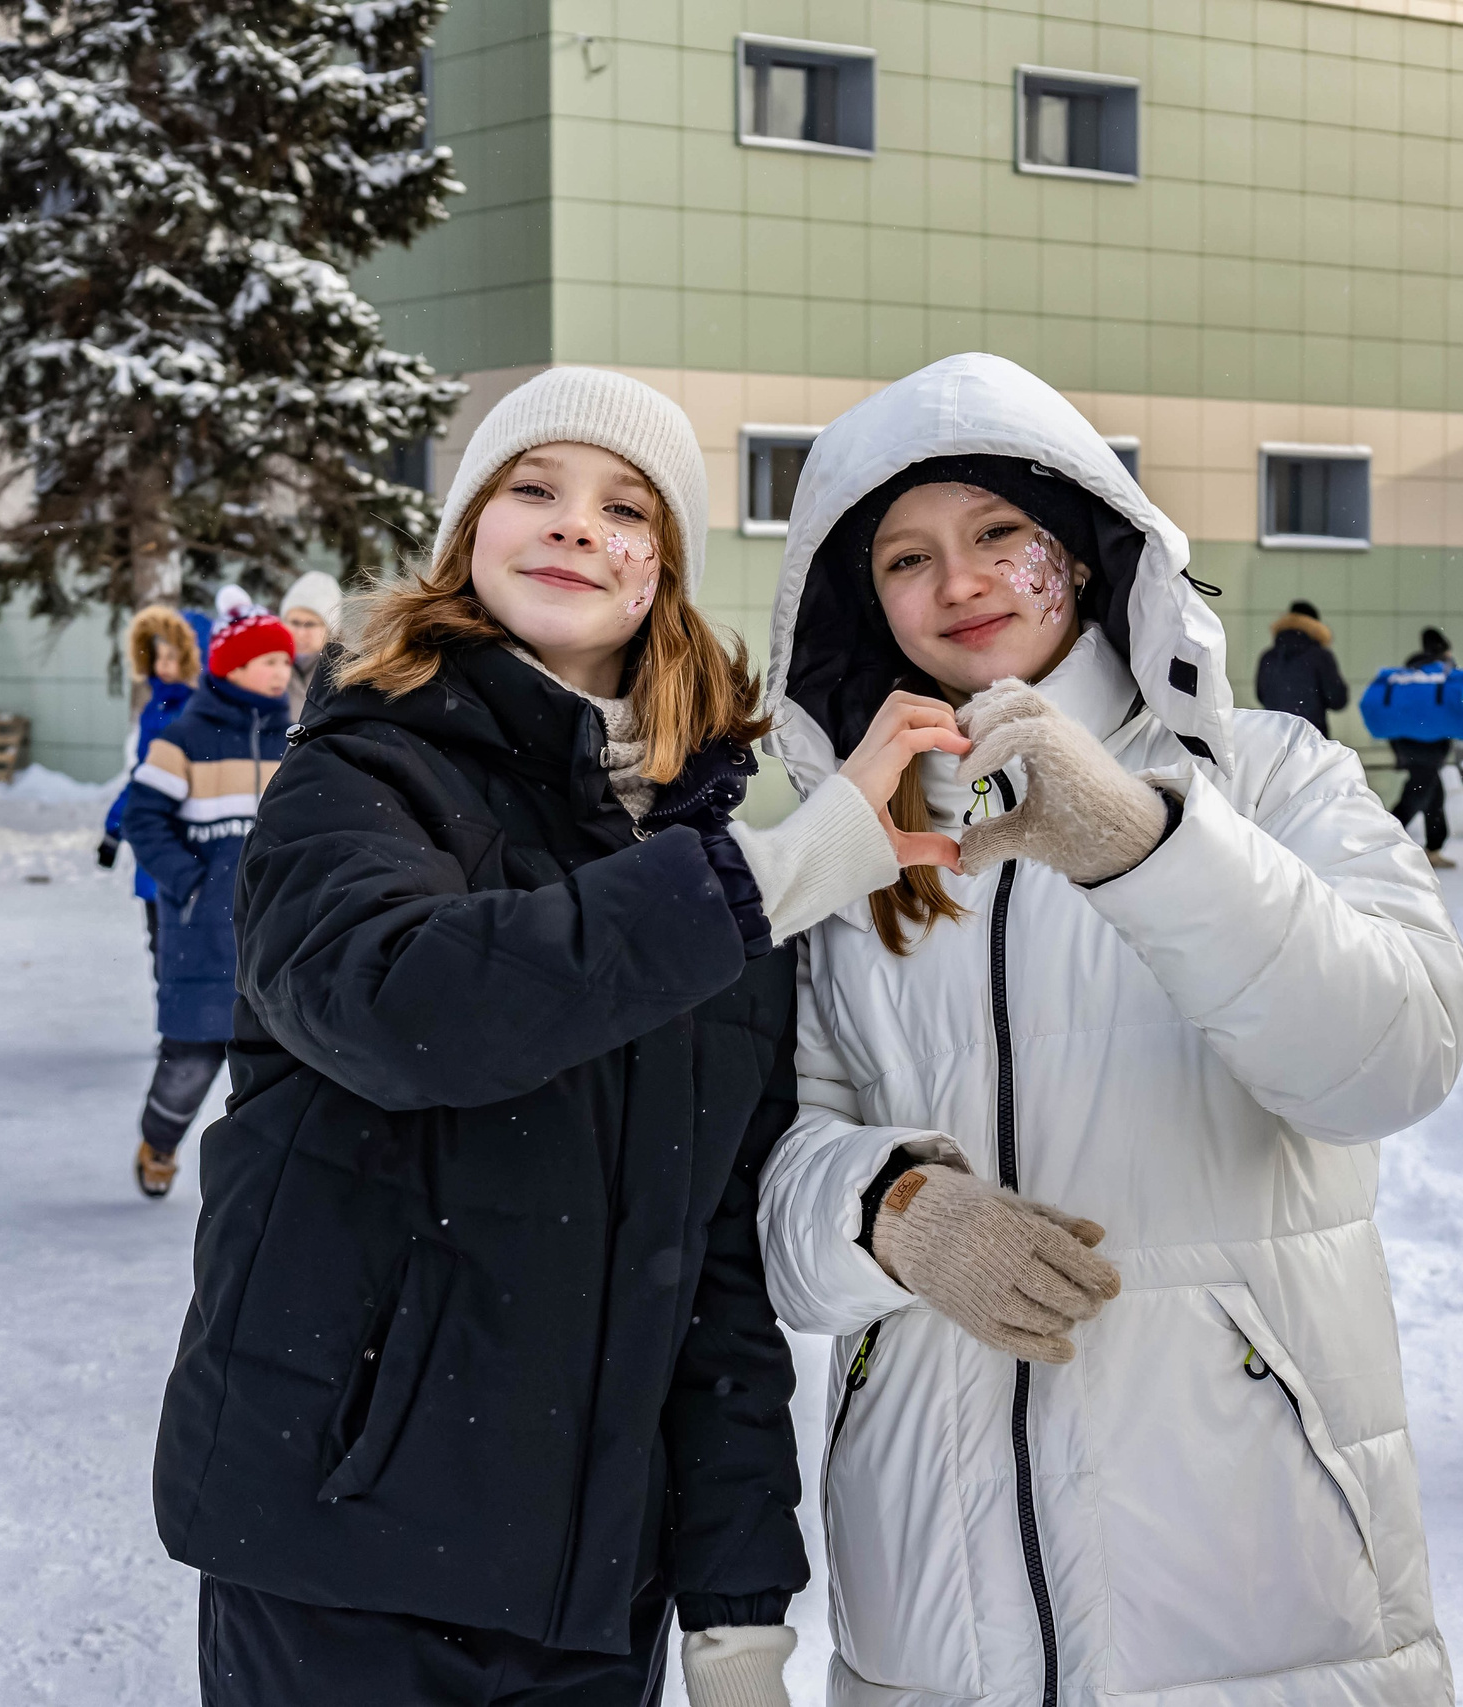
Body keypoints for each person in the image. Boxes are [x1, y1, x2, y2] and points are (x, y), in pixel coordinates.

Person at [151, 367, 950, 1707]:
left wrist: (739, 1611)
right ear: (466, 536)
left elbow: (712, 1268)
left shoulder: (708, 865)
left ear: (663, 574)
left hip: (593, 1591)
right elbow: (413, 1012)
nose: (578, 524)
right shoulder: (357, 777)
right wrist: (773, 876)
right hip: (342, 1556)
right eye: (534, 488)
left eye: (626, 508)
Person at [754, 353, 1463, 1706]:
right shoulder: (851, 853)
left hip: (1253, 1578)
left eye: (997, 535)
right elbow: (771, 1181)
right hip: (931, 1604)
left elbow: (1395, 1056)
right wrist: (890, 1210)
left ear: (1078, 556)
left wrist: (1146, 842)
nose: (958, 581)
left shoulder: (1268, 776)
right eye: (906, 558)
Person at [117, 607, 298, 1198]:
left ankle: (275, 1174)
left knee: (283, 1059)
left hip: (276, 931)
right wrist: (189, 883)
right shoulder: (185, 737)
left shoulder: (296, 739)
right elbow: (144, 818)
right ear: (235, 667)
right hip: (203, 933)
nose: (282, 671)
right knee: (190, 1059)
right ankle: (160, 1141)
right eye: (268, 661)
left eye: (284, 660)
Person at [100, 604, 202, 940]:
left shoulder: (201, 712)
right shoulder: (155, 709)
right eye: (159, 657)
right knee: (160, 947)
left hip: (192, 849)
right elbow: (143, 778)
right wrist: (114, 828)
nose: (164, 666)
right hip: (155, 853)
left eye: (174, 657)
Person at [1390, 626, 1458, 869]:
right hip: (1430, 745)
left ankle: (1434, 848)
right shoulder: (1443, 672)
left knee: (1434, 794)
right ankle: (1381, 840)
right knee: (1416, 795)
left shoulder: (1409, 670)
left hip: (1406, 742)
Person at [1253, 597, 1349, 733]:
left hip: (1275, 738)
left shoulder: (1268, 656)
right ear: (1317, 626)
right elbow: (1338, 700)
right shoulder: (1321, 656)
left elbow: (1261, 696)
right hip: (1310, 738)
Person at [279, 568, 343, 715]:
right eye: (294, 622)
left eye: (310, 624)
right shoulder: (263, 663)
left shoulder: (344, 674)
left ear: (330, 629)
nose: (301, 633)